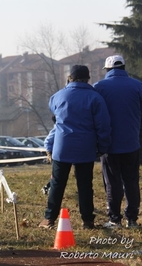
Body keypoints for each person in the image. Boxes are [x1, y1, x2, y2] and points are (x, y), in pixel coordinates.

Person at [38, 65, 111, 230]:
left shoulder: (58, 96)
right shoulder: (95, 98)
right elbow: (103, 126)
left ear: (69, 78)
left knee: (57, 184)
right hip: (85, 148)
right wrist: (102, 146)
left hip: (62, 147)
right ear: (88, 78)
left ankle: (49, 218)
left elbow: (53, 111)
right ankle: (87, 220)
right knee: (85, 185)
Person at [93, 55, 142, 229]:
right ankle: (132, 219)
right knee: (131, 181)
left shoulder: (99, 87)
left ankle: (115, 219)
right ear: (124, 68)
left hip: (109, 145)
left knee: (112, 182)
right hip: (132, 143)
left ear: (107, 70)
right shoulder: (138, 86)